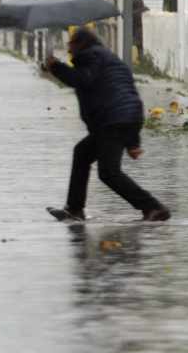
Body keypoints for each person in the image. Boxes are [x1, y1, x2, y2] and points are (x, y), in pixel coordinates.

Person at [42, 27, 171, 222]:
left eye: (71, 46)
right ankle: (74, 209)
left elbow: (83, 80)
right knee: (82, 153)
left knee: (109, 173)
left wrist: (56, 67)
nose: (69, 51)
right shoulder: (106, 58)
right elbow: (128, 98)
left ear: (80, 44)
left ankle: (153, 207)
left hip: (111, 121)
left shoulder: (90, 57)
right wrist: (133, 142)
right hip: (123, 118)